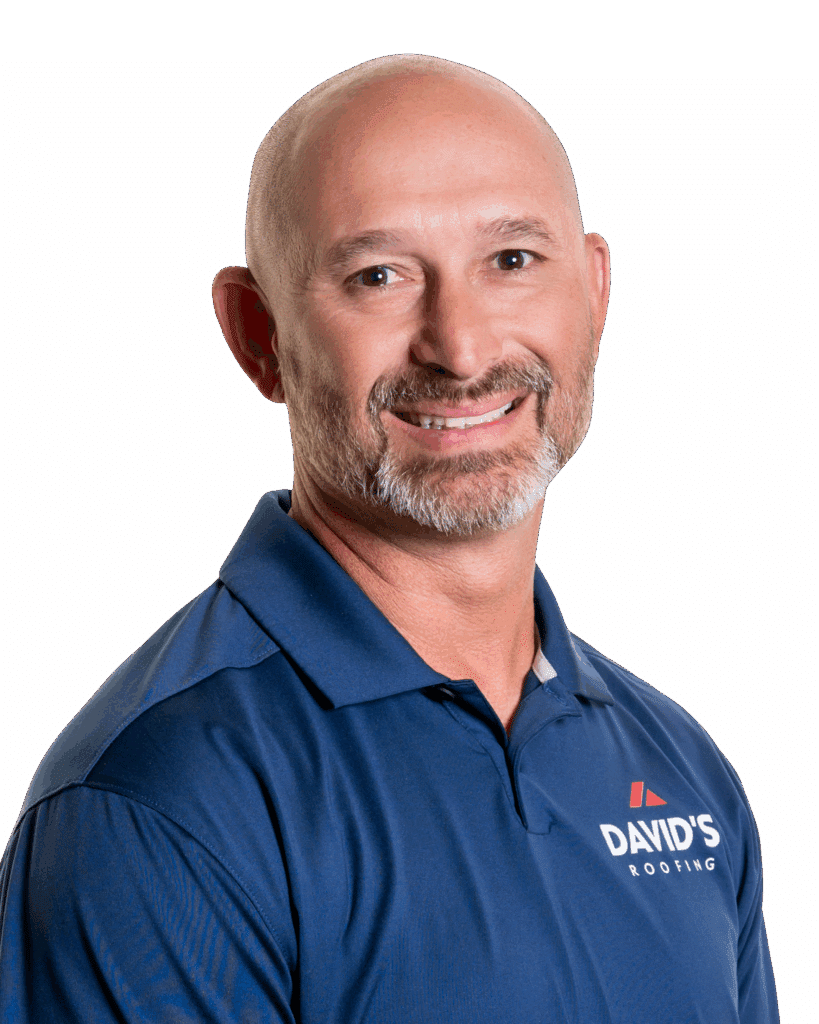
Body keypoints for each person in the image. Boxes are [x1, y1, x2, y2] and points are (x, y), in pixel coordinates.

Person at [0, 54, 779, 1022]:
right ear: (258, 335)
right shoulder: (154, 803)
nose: (459, 345)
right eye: (379, 275)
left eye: (513, 261)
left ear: (595, 294)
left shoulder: (684, 772)